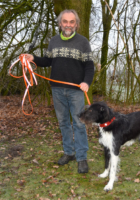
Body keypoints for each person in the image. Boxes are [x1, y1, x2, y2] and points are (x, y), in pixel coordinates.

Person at [22, 9, 94, 173]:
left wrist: (86, 82)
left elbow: (89, 65)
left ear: (76, 24)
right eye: (65, 22)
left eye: (72, 22)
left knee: (79, 124)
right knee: (63, 123)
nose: (68, 25)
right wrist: (33, 58)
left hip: (76, 91)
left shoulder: (83, 42)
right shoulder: (53, 41)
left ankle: (82, 157)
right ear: (60, 23)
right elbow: (48, 61)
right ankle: (69, 153)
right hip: (57, 90)